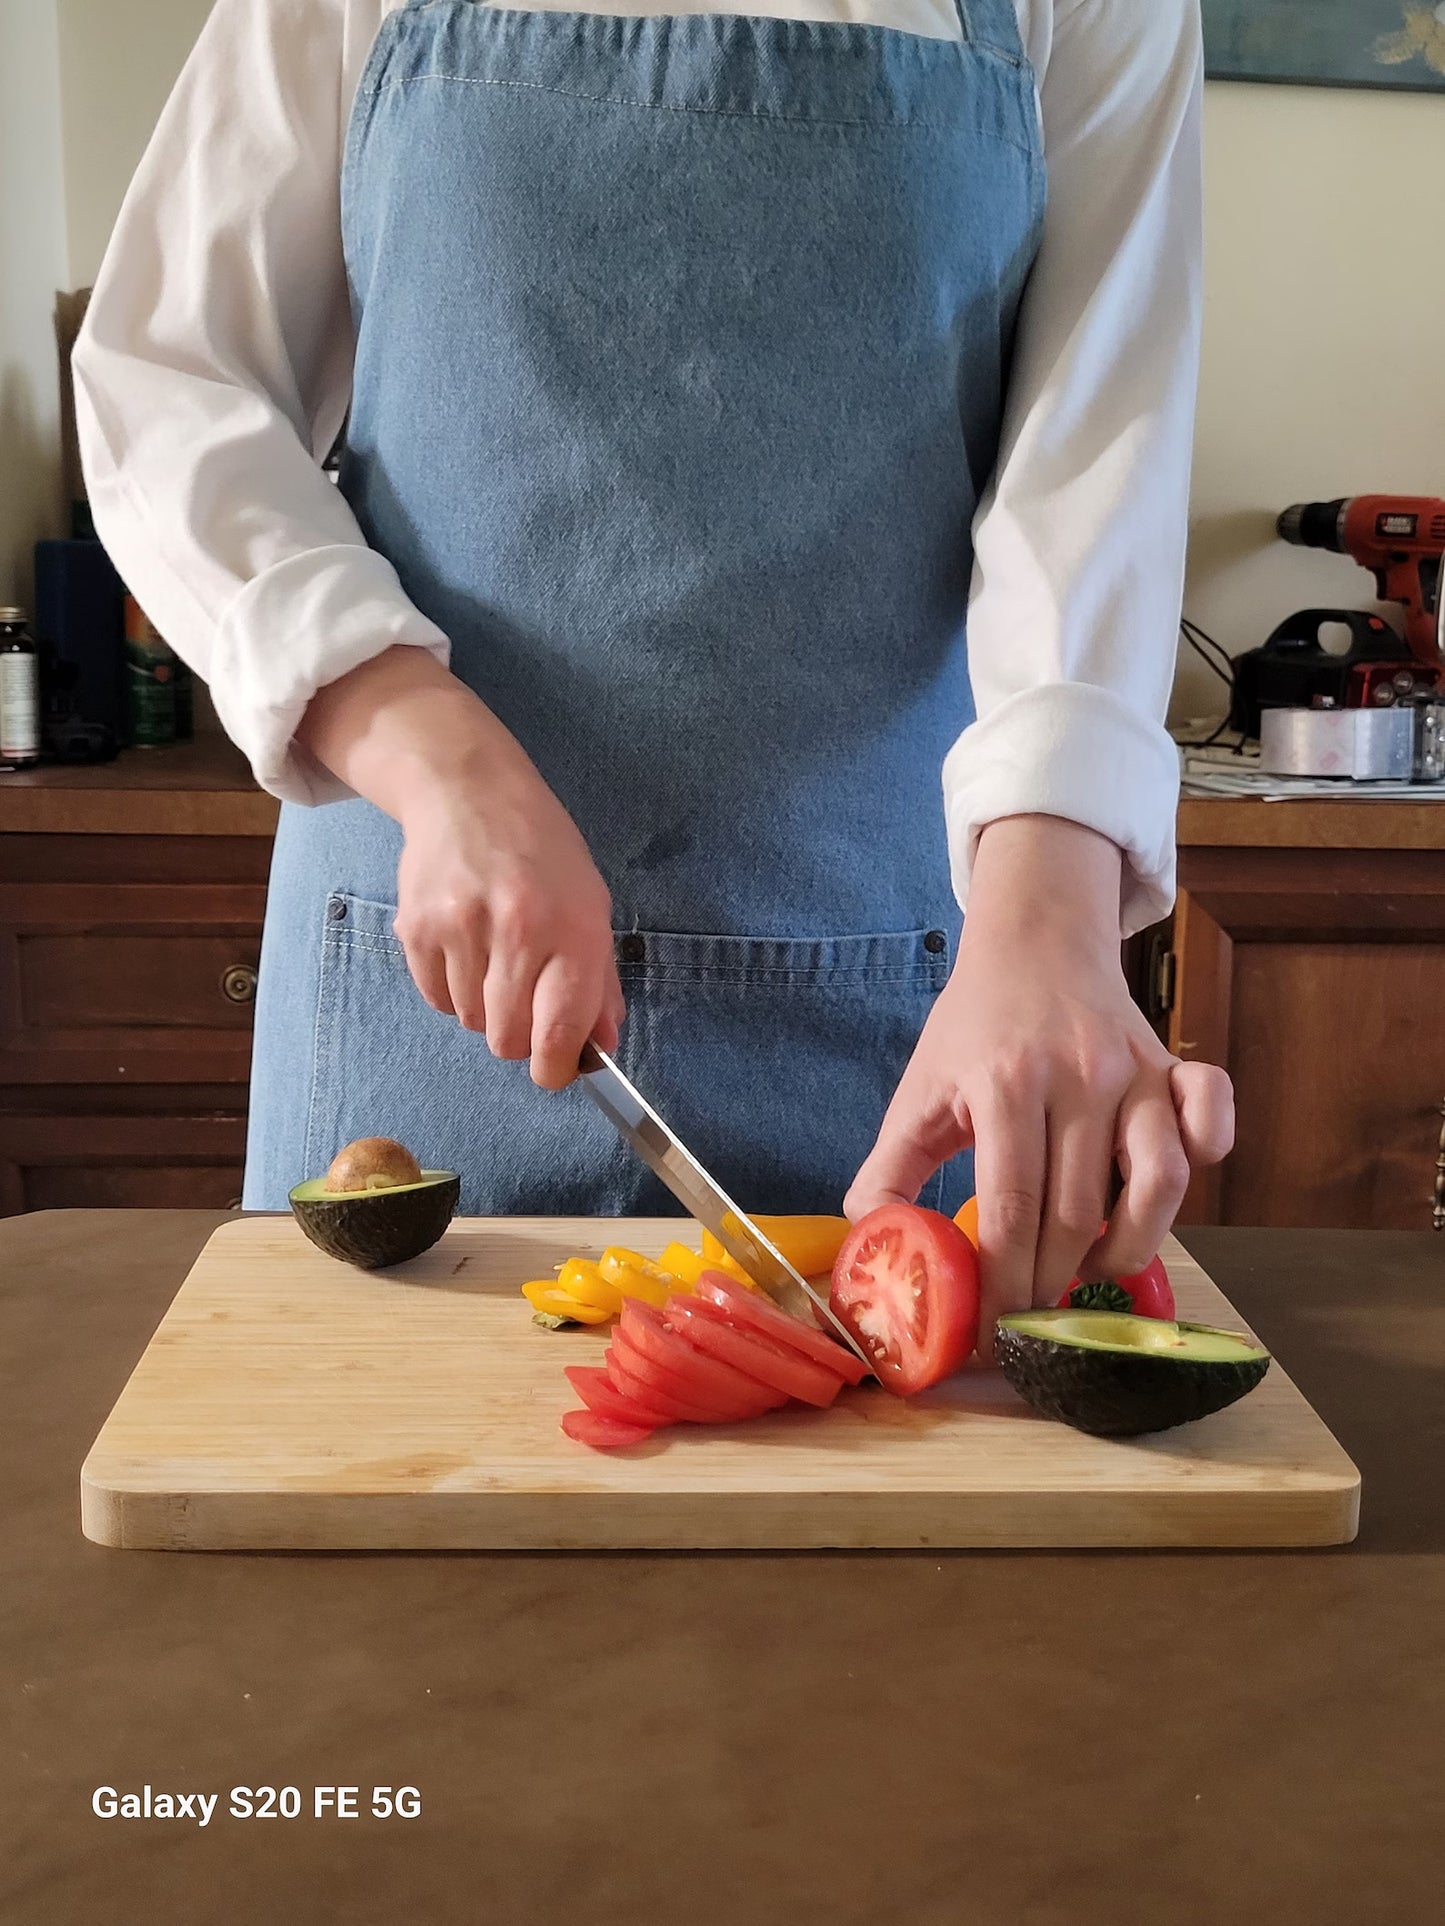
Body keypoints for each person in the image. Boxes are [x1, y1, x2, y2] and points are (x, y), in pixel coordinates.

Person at [74, 0, 1233, 1354]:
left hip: (894, 1010)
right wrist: (434, 753)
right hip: (424, 975)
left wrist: (1051, 916)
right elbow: (169, 379)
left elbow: (1099, 449)